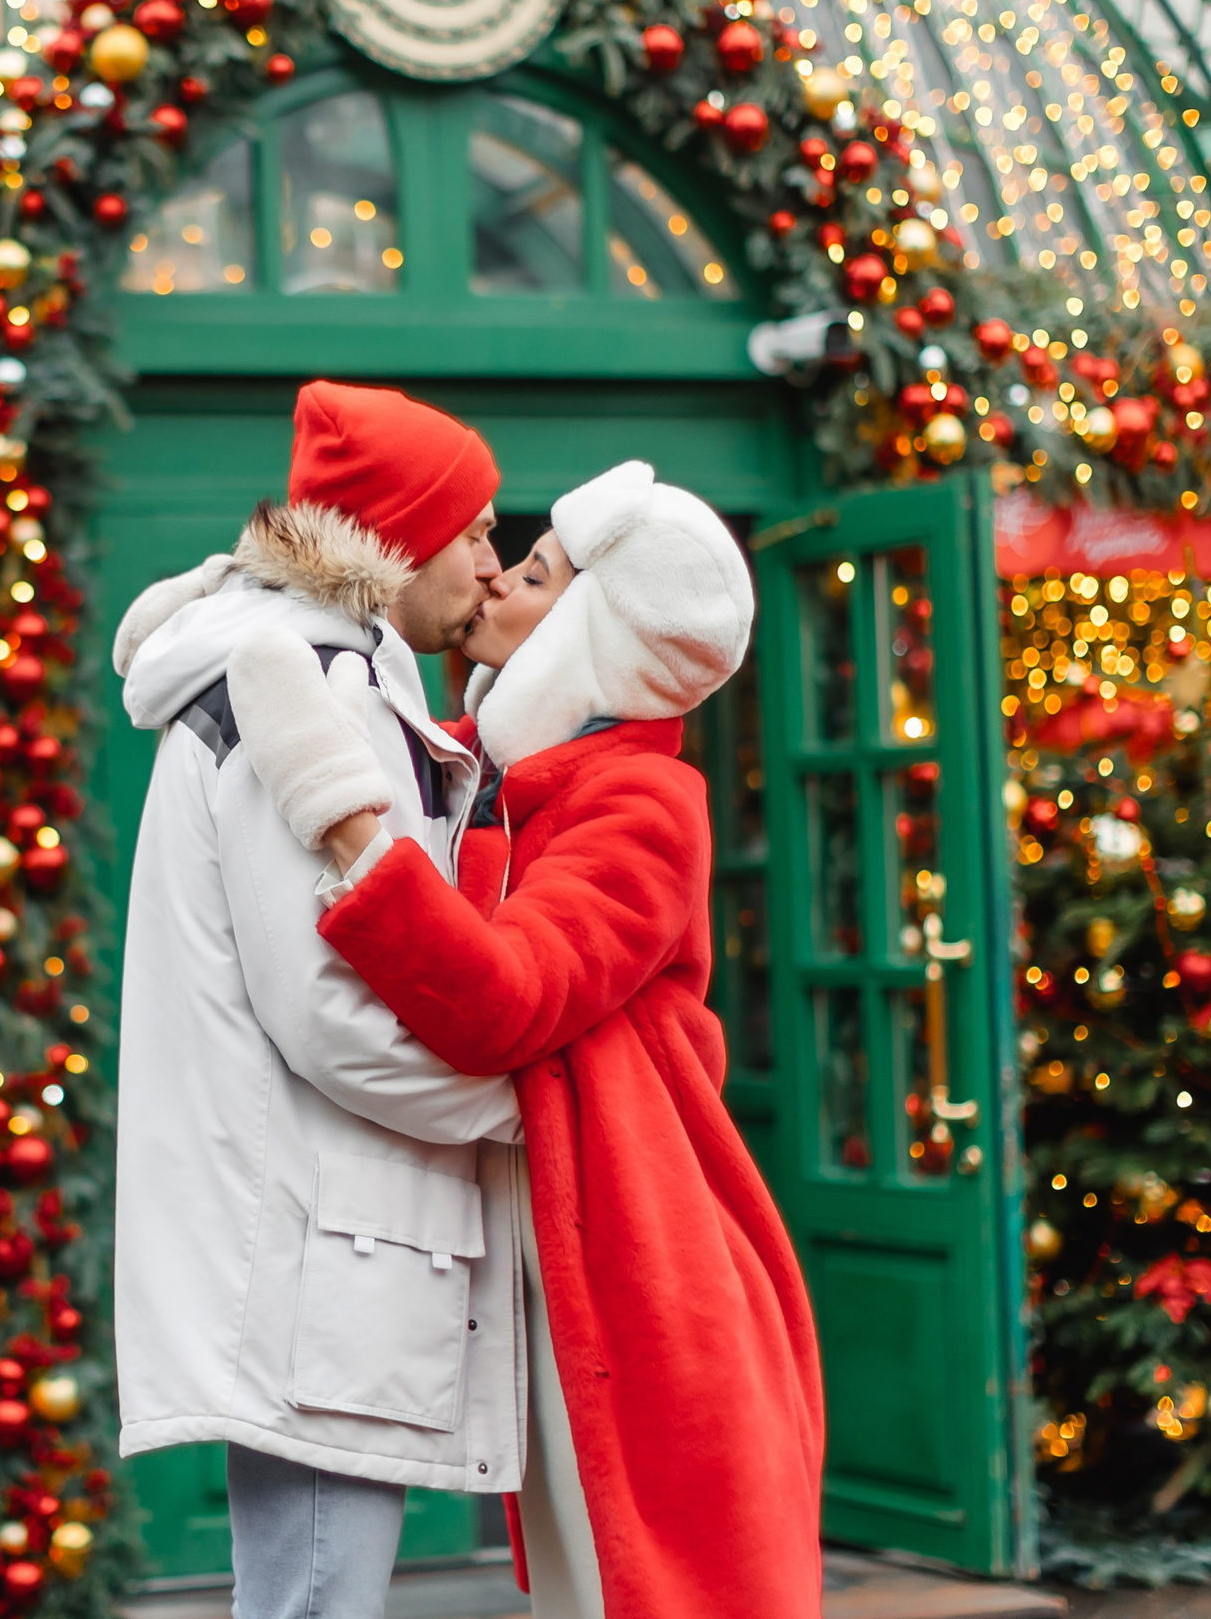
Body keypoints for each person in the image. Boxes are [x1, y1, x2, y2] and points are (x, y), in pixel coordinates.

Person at [223, 461, 826, 1619]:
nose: (492, 580)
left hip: (642, 1263)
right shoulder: (502, 773)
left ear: (592, 630)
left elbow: (506, 999)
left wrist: (344, 822)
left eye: (535, 572)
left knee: (634, 1581)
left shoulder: (642, 802)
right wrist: (223, 612)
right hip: (554, 1244)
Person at [109, 381, 527, 1619]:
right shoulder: (312, 688)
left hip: (323, 1231)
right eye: (475, 532)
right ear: (399, 540)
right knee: (309, 1602)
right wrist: (528, 1098)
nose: (492, 566)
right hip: (319, 1239)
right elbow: (337, 1011)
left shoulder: (323, 671)